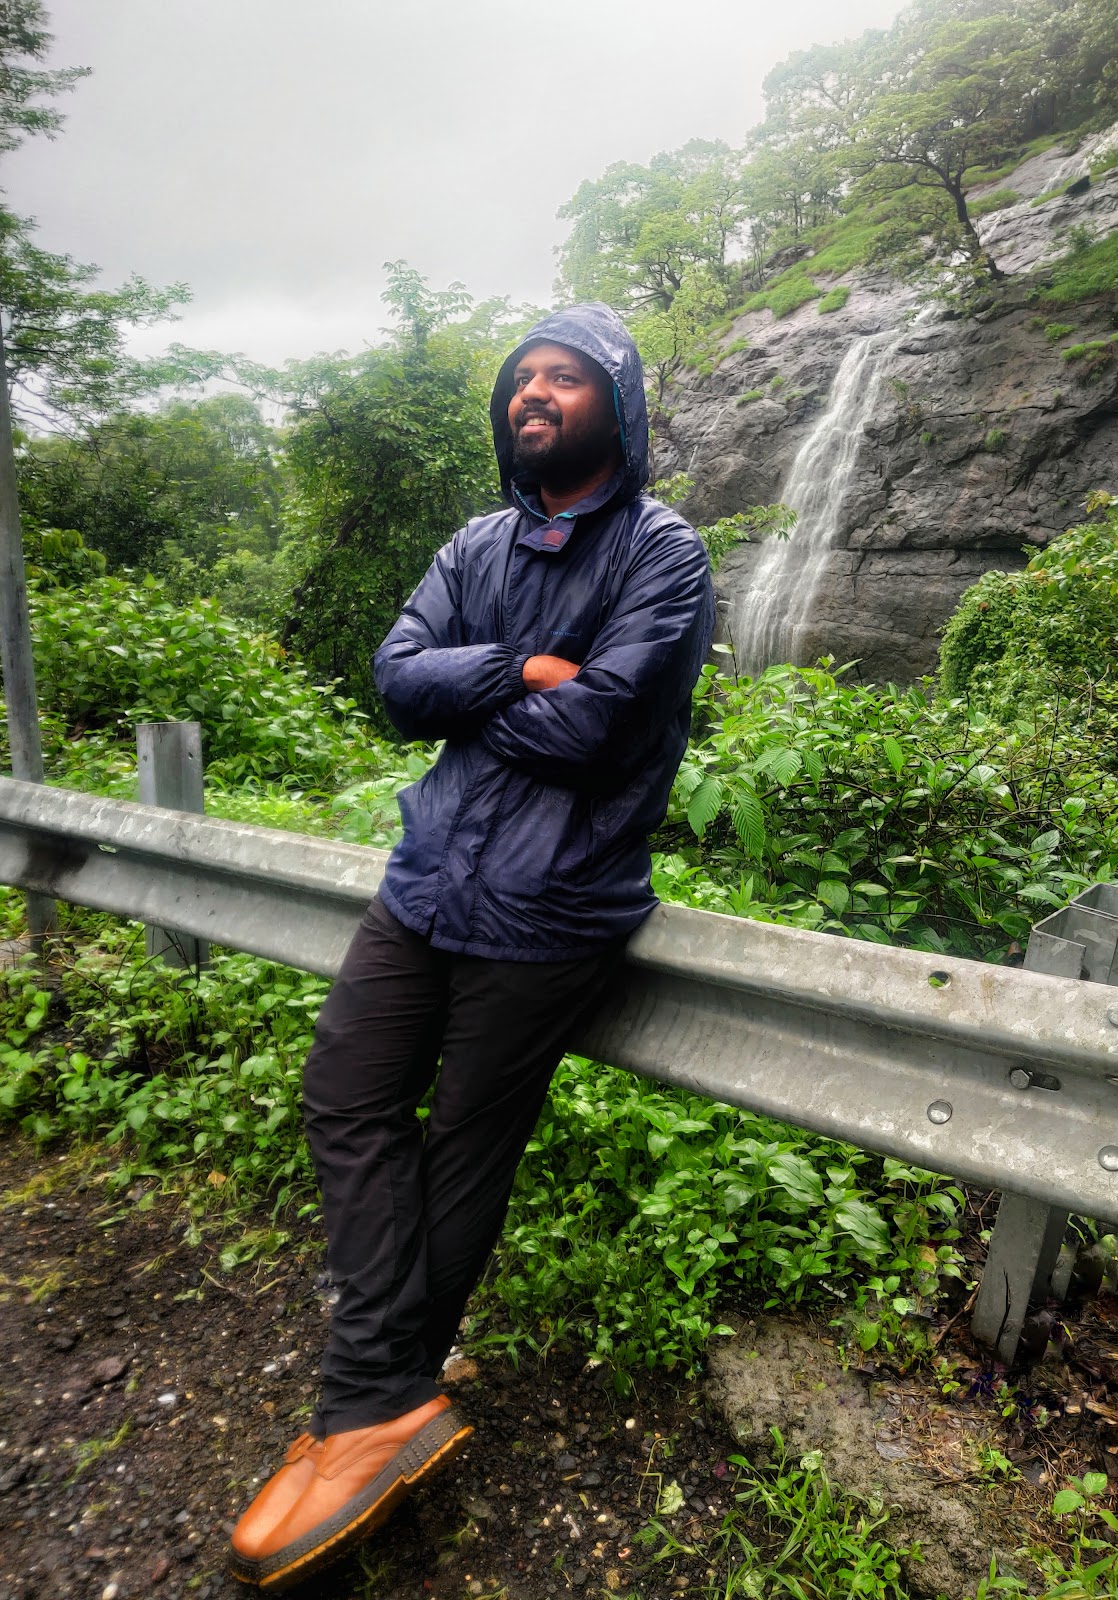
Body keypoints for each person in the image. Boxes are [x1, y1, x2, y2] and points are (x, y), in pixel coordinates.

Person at [228, 303, 715, 1591]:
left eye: (563, 377)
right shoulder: (479, 541)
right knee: (346, 1092)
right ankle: (394, 1383)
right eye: (522, 379)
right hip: (430, 875)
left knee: (465, 1141)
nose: (534, 395)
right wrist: (525, 669)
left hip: (555, 905)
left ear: (615, 403)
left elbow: (603, 732)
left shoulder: (663, 555)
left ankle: (363, 1414)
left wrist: (492, 687)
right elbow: (393, 679)